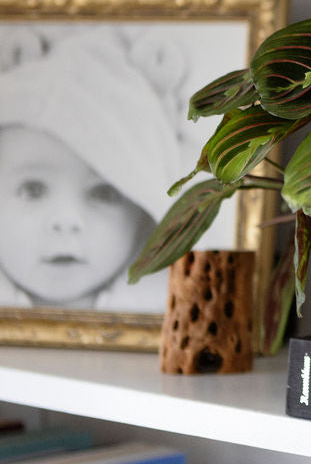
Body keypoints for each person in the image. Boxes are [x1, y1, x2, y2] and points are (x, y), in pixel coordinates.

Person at [0, 27, 185, 312]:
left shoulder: (171, 308)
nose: (66, 220)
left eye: (104, 193)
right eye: (32, 190)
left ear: (144, 216)